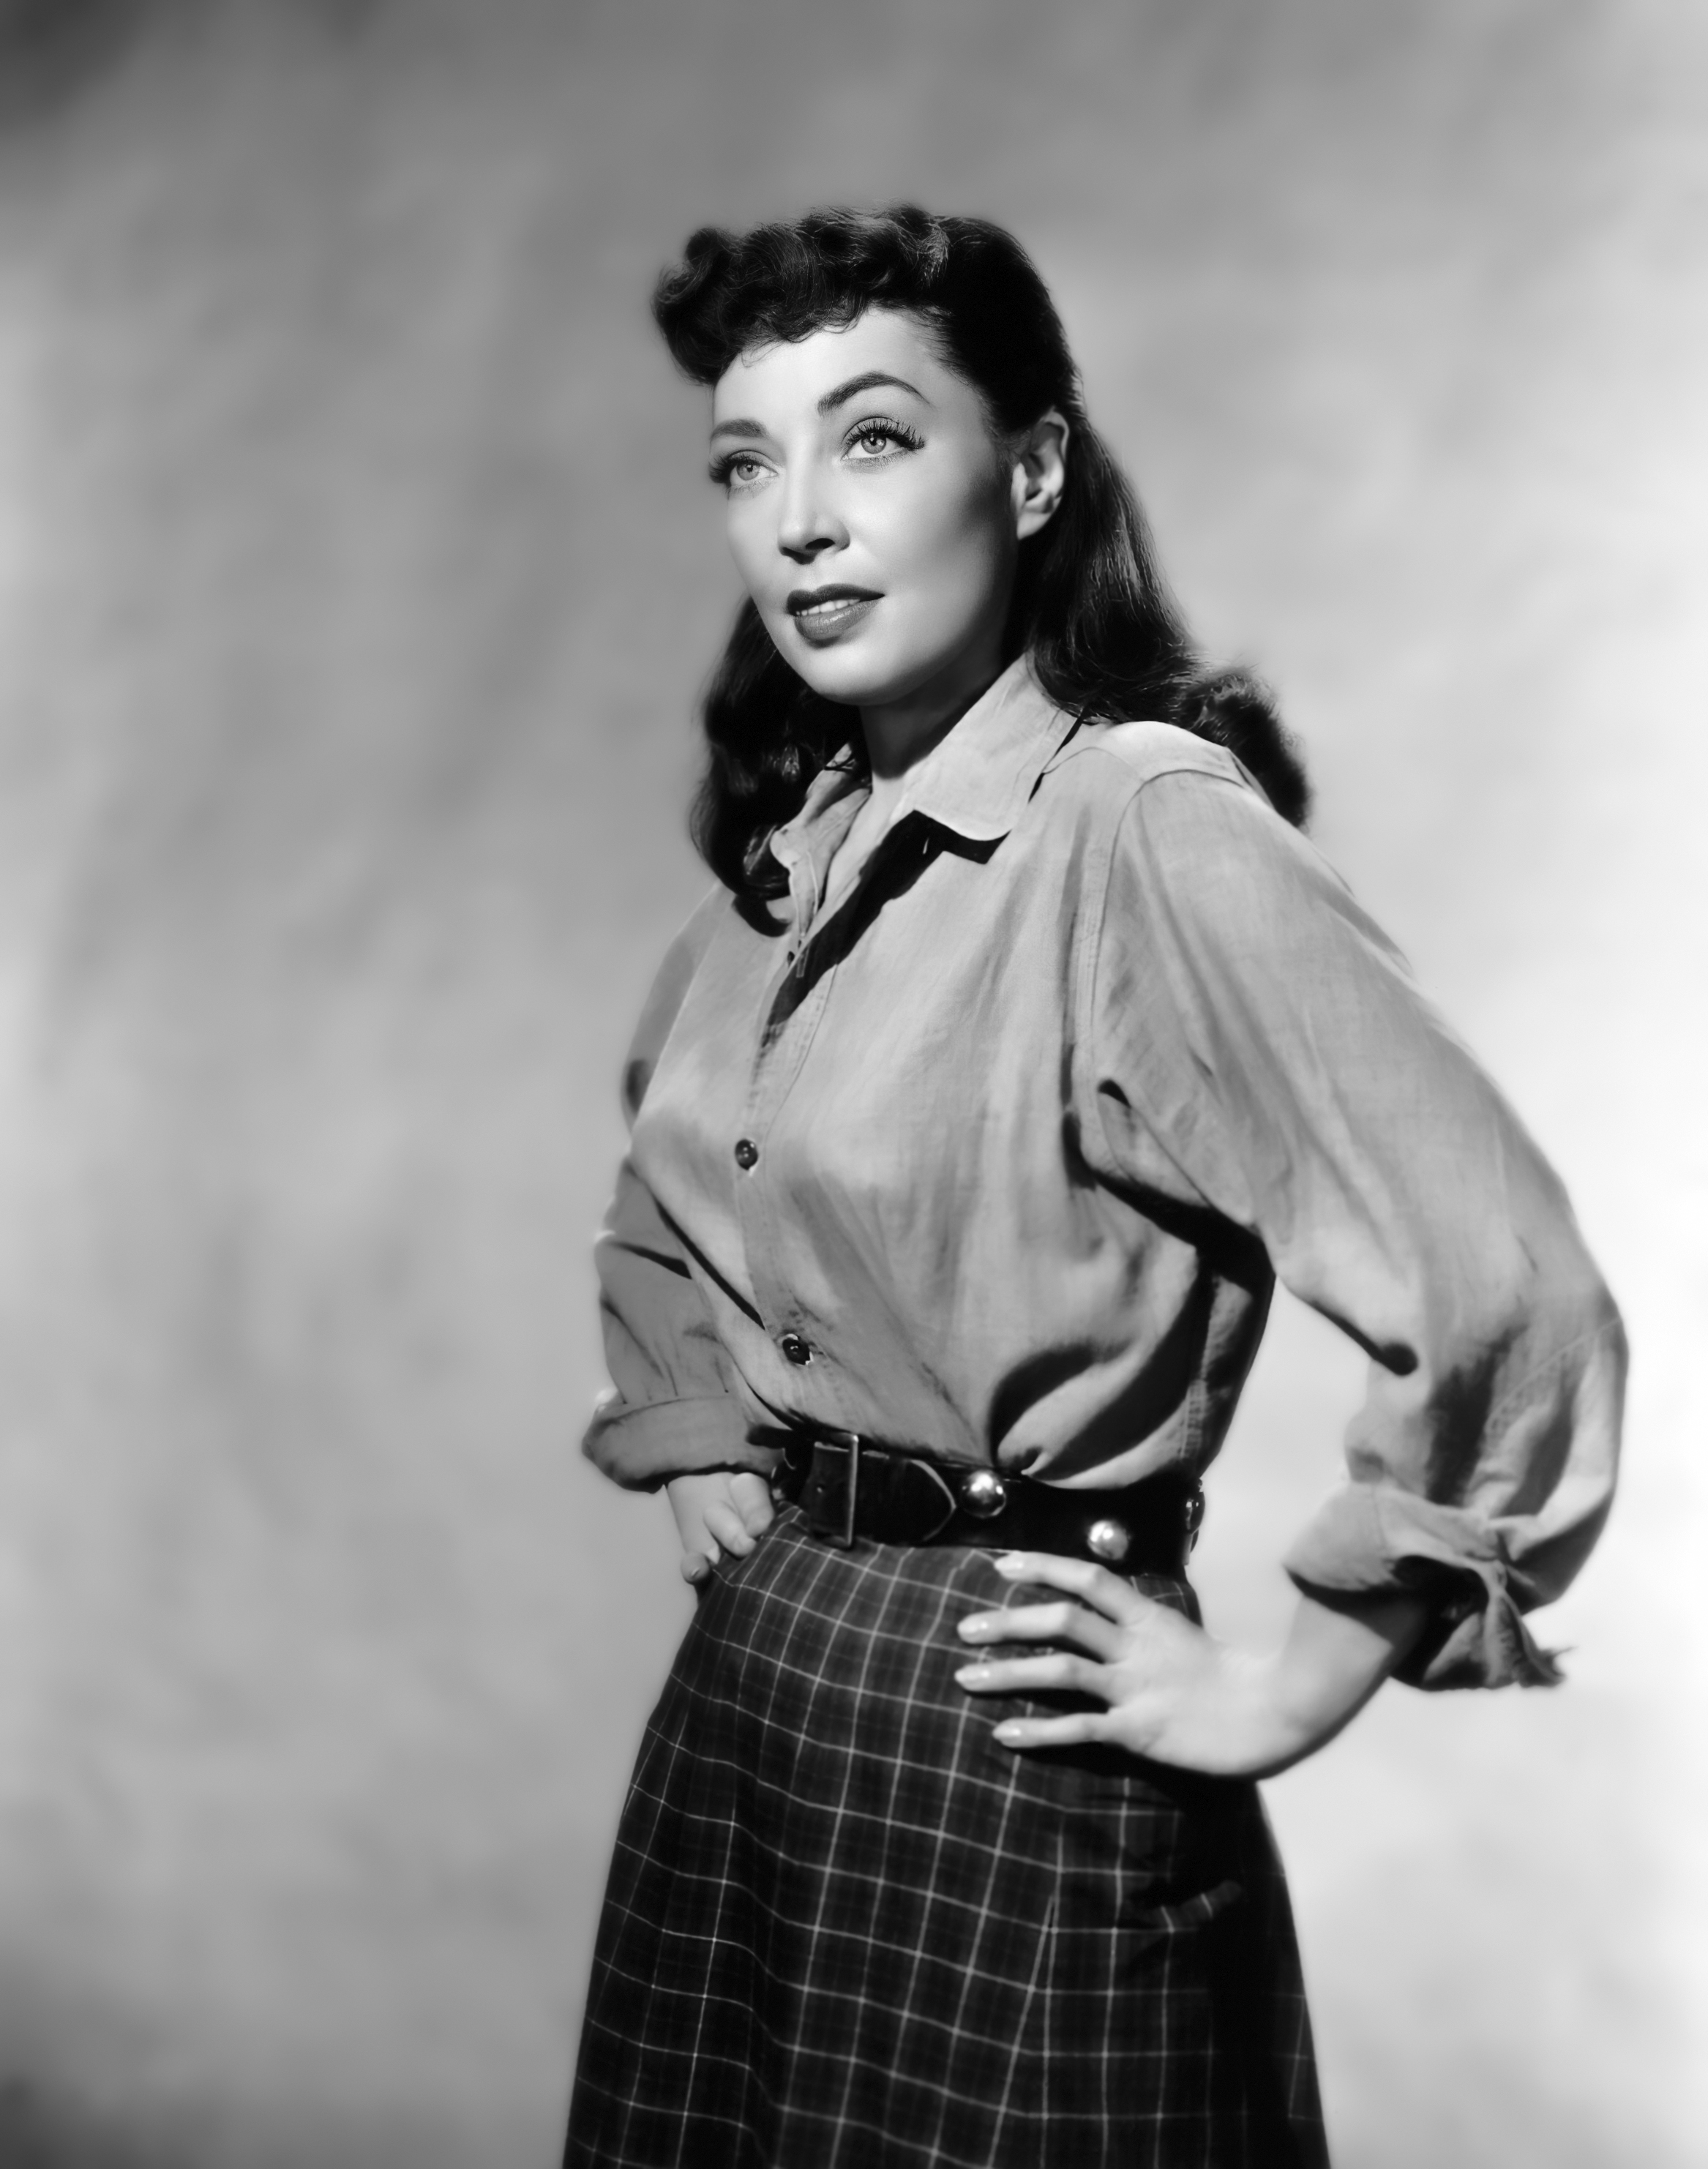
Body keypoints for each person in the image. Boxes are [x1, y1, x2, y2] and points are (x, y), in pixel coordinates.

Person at [562, 206, 1624, 2169]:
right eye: (747, 464)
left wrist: (1287, 1688)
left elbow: (1506, 1282)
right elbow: (675, 1178)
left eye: (875, 439)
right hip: (760, 1701)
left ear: (1034, 469)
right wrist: (694, 1417)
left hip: (1012, 1721)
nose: (802, 523)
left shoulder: (1143, 826)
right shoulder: (808, 840)